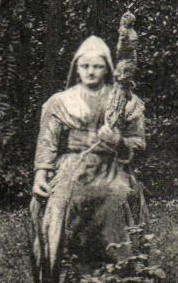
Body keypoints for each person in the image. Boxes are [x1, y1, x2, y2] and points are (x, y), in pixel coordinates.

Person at [32, 35, 146, 264]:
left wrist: (118, 140)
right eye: (85, 66)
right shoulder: (60, 101)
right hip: (72, 164)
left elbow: (139, 143)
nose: (91, 71)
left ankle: (122, 267)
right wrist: (40, 175)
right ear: (76, 68)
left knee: (116, 196)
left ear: (107, 69)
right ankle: (59, 263)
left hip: (111, 166)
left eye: (97, 66)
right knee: (63, 198)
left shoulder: (124, 100)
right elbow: (47, 142)